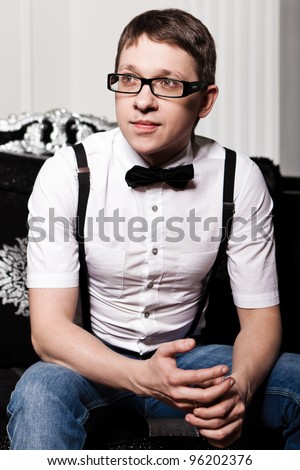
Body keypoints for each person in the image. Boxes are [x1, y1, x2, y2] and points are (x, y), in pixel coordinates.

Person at [7, 8, 300, 450]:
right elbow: (48, 331)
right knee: (39, 389)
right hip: (91, 364)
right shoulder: (68, 173)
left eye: (167, 82)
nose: (142, 100)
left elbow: (260, 320)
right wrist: (141, 376)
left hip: (190, 359)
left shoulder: (238, 178)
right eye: (129, 79)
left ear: (205, 99)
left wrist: (238, 389)